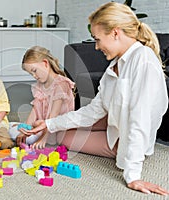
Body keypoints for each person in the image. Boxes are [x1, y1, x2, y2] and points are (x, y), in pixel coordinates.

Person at [21, 2, 169, 196]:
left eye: (98, 39)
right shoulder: (114, 66)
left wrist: (133, 175)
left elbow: (140, 120)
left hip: (125, 136)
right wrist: (49, 123)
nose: (97, 47)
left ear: (116, 33)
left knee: (64, 138)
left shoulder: (143, 60)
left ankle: (115, 149)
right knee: (61, 129)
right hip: (114, 119)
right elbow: (93, 110)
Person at [9, 46, 75, 149]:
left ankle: (41, 136)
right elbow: (35, 109)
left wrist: (44, 139)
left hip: (55, 129)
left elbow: (53, 116)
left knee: (23, 136)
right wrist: (26, 129)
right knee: (11, 127)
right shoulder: (40, 85)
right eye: (31, 73)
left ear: (45, 63)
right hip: (41, 126)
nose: (34, 76)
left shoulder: (61, 84)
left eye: (34, 71)